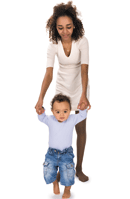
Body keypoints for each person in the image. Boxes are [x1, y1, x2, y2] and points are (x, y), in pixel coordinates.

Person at [35, 1, 91, 182]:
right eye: (60, 28)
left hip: (79, 86)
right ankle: (62, 167)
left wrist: (83, 94)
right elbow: (49, 73)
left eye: (68, 27)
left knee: (80, 127)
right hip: (62, 87)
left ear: (74, 25)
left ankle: (79, 167)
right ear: (55, 27)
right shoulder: (53, 44)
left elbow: (84, 70)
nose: (65, 31)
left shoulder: (82, 41)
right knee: (60, 127)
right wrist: (40, 98)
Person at [38, 94, 87, 199]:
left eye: (65, 111)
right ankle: (55, 182)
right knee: (48, 171)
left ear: (70, 110)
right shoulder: (50, 119)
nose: (62, 115)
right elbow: (42, 118)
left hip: (66, 153)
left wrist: (82, 109)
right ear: (52, 111)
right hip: (51, 153)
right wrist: (41, 111)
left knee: (68, 173)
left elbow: (82, 116)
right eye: (58, 112)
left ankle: (67, 189)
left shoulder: (72, 119)